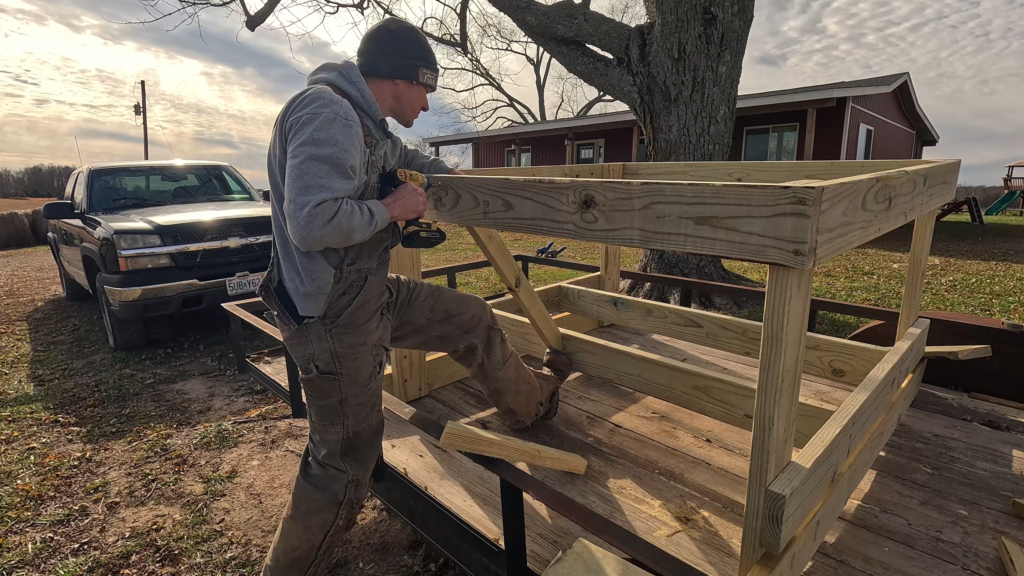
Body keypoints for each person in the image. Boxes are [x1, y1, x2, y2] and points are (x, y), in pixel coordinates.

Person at [257, 16, 572, 576]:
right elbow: (309, 223)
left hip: (364, 292)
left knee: (469, 317)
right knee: (344, 462)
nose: (427, 104)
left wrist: (447, 177)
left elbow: (402, 156)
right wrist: (391, 210)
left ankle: (532, 404)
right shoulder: (327, 112)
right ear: (401, 79)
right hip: (330, 316)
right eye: (426, 89)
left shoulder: (365, 123)